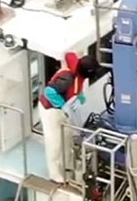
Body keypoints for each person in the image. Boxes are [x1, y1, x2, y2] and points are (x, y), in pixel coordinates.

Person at [39, 53, 100, 182]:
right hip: (50, 110)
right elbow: (49, 92)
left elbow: (76, 90)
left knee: (67, 138)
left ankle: (67, 167)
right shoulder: (68, 77)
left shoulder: (79, 73)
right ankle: (54, 174)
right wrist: (63, 105)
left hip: (64, 111)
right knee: (54, 142)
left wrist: (79, 99)